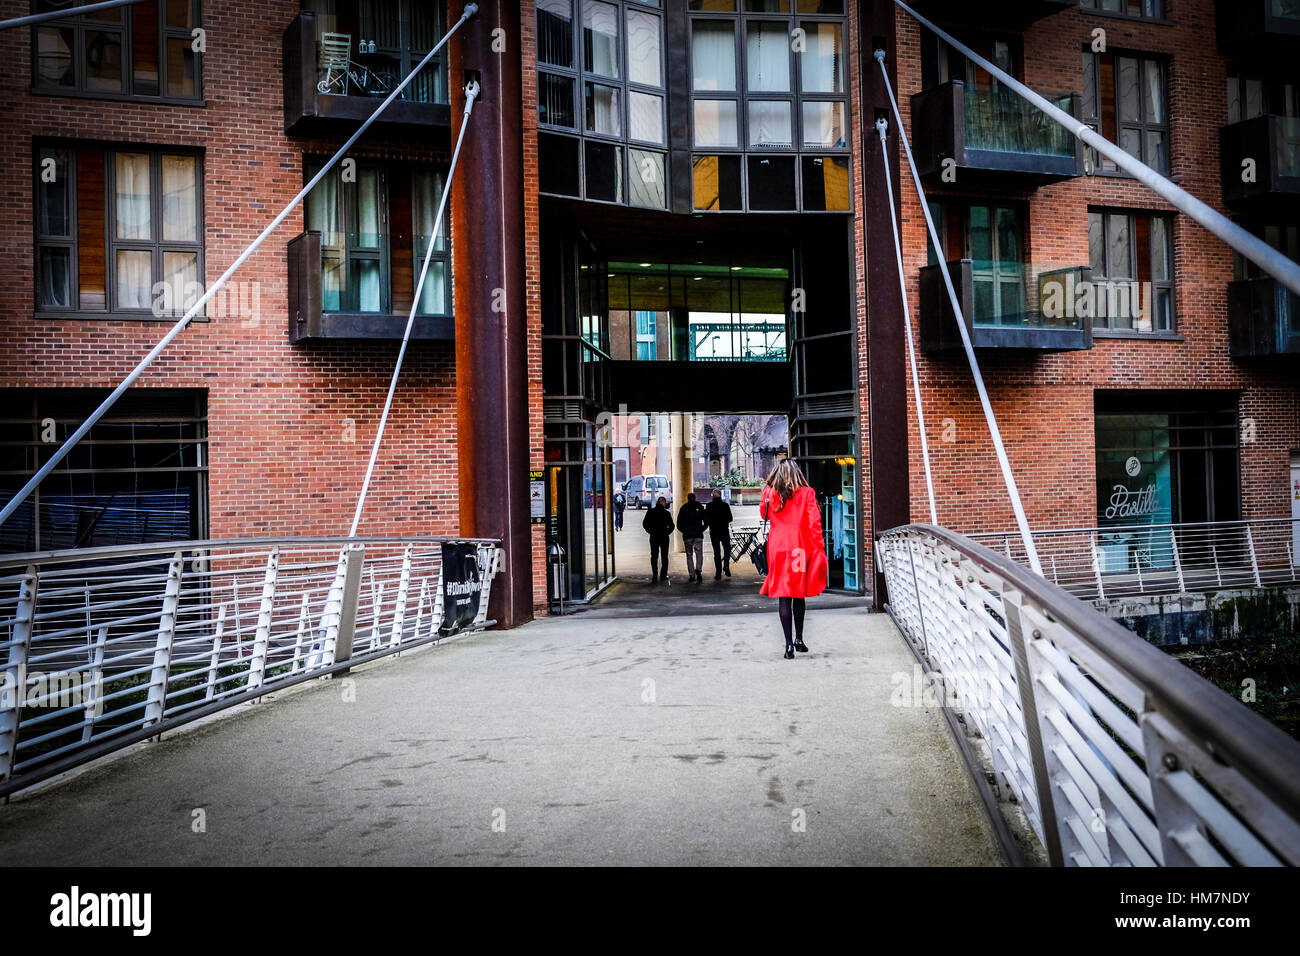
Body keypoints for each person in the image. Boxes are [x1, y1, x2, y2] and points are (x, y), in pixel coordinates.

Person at [759, 459, 828, 659]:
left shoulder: (769, 493)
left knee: (783, 596)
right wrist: (819, 549)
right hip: (798, 547)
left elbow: (764, 514)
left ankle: (788, 645)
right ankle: (799, 638)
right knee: (798, 594)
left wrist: (770, 490)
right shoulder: (807, 493)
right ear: (797, 472)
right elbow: (815, 523)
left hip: (777, 548)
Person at [642, 495, 675, 583]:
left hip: (654, 537)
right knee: (664, 556)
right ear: (663, 503)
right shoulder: (666, 513)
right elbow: (672, 526)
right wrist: (667, 532)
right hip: (664, 537)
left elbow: (645, 524)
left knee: (654, 556)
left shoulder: (650, 512)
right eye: (664, 502)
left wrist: (650, 532)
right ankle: (663, 575)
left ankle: (655, 574)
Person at [676, 492, 707, 583]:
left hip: (687, 536)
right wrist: (701, 529)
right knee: (699, 554)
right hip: (698, 535)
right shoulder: (700, 506)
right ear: (695, 498)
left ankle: (692, 575)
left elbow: (678, 524)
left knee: (689, 555)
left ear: (688, 498)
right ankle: (698, 569)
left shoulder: (684, 508)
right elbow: (706, 521)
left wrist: (684, 531)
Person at [705, 489, 734, 580]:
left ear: (713, 496)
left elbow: (707, 519)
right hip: (724, 531)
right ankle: (726, 566)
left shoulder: (709, 506)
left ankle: (718, 573)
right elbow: (730, 518)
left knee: (717, 553)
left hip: (714, 532)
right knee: (727, 550)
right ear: (720, 496)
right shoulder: (725, 505)